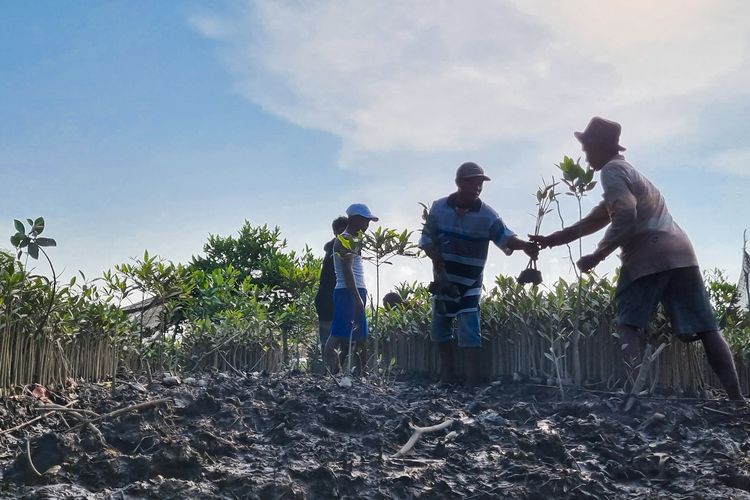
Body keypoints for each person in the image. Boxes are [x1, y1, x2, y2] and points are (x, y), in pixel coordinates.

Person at [530, 116, 743, 400]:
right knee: (707, 328)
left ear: (600, 147)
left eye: (587, 148)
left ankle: (638, 395)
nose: (585, 155)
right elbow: (594, 221)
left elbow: (626, 215)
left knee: (628, 324)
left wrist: (598, 254)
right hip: (681, 254)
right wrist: (551, 240)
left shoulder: (612, 171)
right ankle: (736, 399)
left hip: (647, 255)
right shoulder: (629, 174)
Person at [419, 162, 539, 387]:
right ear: (458, 183)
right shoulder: (438, 208)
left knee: (469, 328)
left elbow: (505, 236)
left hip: (471, 282)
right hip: (443, 279)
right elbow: (427, 239)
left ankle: (471, 380)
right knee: (440, 327)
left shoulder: (487, 215)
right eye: (472, 182)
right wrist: (437, 260)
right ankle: (447, 376)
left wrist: (525, 245)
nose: (477, 187)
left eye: (480, 183)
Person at [324, 203, 378, 375]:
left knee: (351, 333)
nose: (367, 225)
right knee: (345, 334)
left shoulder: (352, 239)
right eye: (365, 221)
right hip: (348, 291)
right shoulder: (346, 239)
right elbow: (347, 269)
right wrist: (357, 298)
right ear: (354, 220)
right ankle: (348, 371)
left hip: (352, 289)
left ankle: (343, 371)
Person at [314, 216, 349, 360]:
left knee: (330, 339)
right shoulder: (340, 250)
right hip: (331, 299)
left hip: (326, 299)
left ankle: (332, 373)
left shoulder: (331, 250)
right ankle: (334, 373)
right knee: (338, 340)